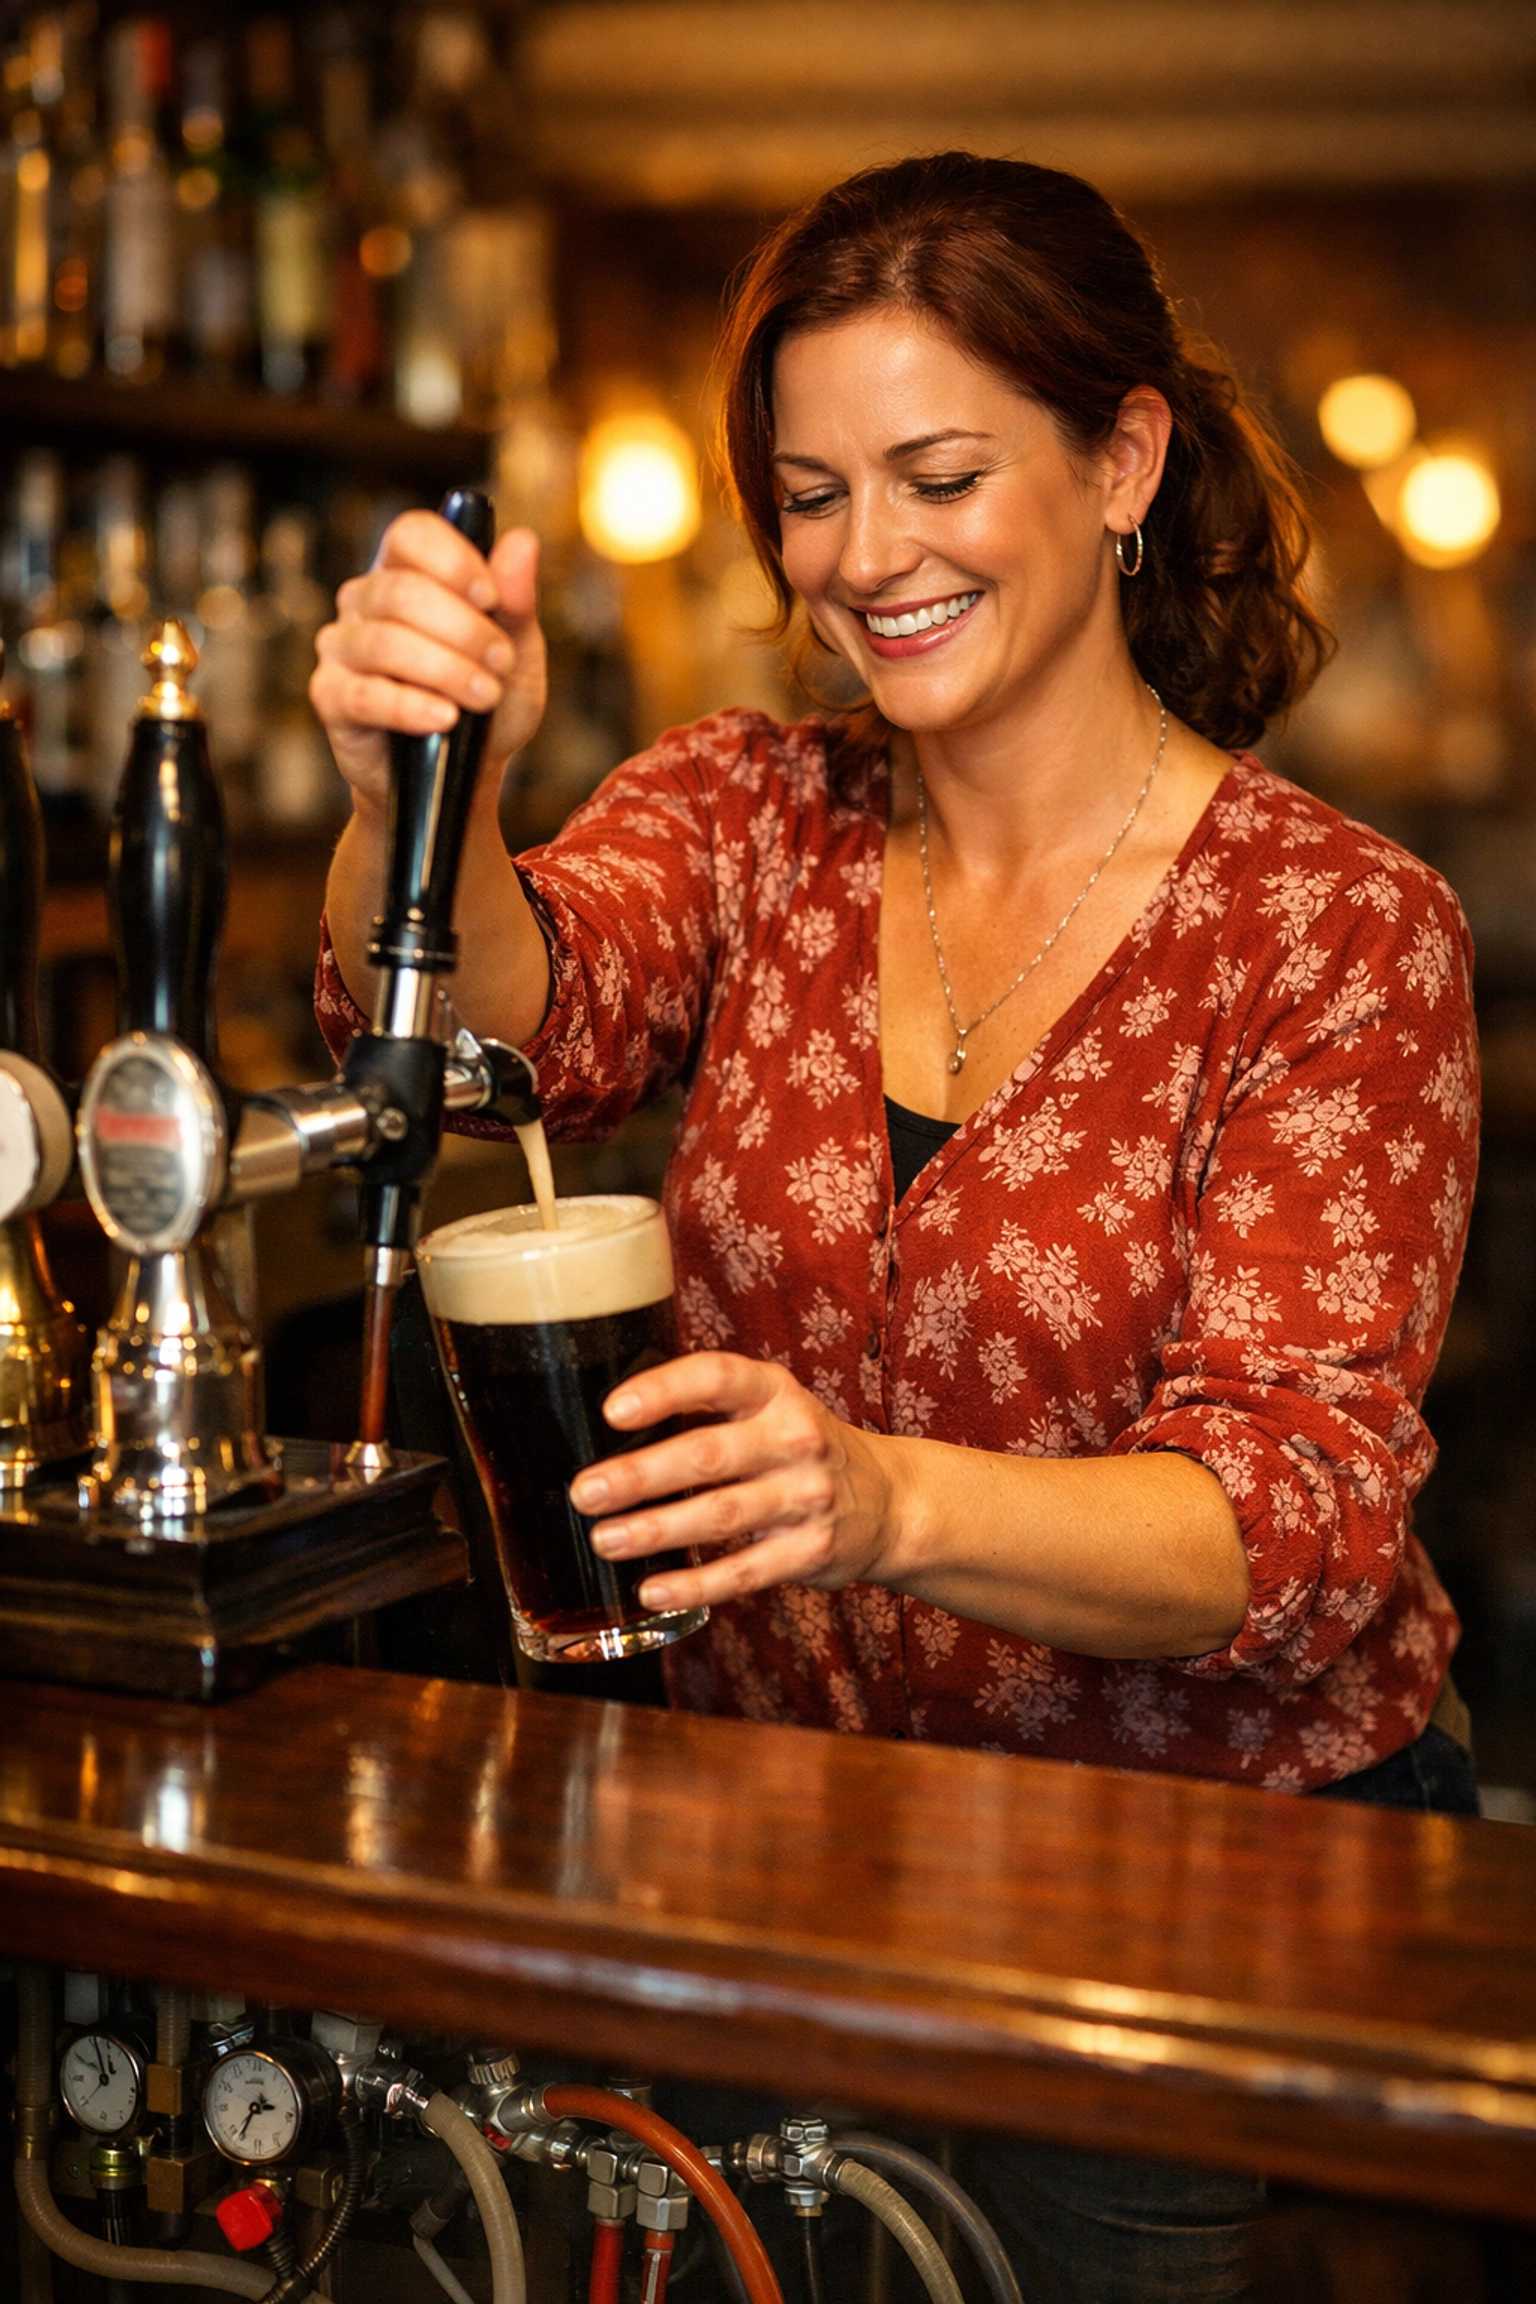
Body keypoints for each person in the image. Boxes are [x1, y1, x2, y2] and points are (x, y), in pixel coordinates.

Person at [311, 154, 1480, 2300]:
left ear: (1122, 456)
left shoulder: (1332, 934)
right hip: (784, 1868)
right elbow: (516, 1024)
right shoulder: (762, 812)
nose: (867, 558)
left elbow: (1292, 1526)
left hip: (1198, 1926)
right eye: (814, 491)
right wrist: (424, 797)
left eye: (939, 474)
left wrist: (876, 1504)